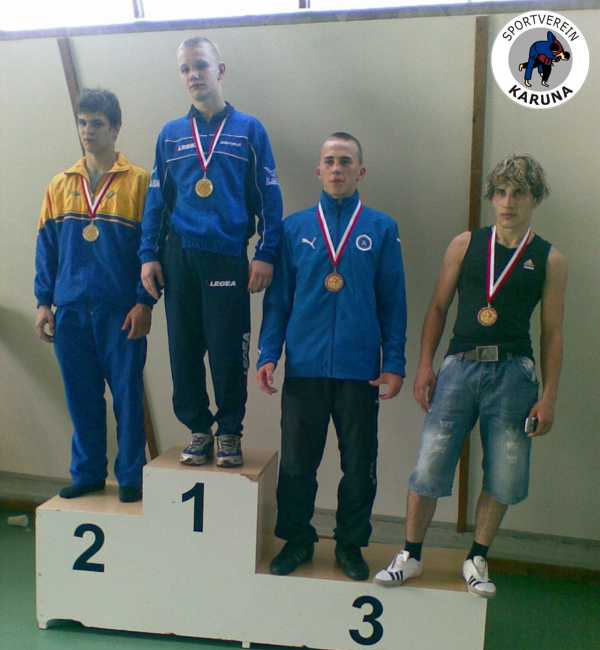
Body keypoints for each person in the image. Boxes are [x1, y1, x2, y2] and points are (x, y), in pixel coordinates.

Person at [375, 154, 568, 597]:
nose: (508, 202)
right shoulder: (465, 244)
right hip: (459, 367)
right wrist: (425, 365)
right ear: (491, 198)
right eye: (500, 192)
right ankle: (410, 553)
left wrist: (549, 397)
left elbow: (553, 333)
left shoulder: (550, 259)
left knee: (505, 471)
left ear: (535, 198)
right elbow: (438, 307)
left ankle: (478, 556)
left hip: (515, 374)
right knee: (430, 463)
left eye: (519, 193)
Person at [257, 132, 407, 581]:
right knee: (297, 465)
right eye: (330, 161)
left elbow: (393, 302)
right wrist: (269, 352)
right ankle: (297, 540)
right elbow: (278, 300)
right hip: (305, 366)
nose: (337, 169)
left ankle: (350, 544)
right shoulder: (295, 229)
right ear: (318, 171)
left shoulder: (381, 228)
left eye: (345, 161)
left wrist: (394, 362)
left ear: (361, 171)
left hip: (360, 371)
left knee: (359, 465)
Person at [139, 36, 283, 468]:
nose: (193, 75)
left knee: (226, 350)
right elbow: (156, 201)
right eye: (185, 69)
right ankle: (198, 429)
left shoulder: (250, 130)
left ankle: (230, 431)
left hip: (226, 255)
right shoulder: (170, 135)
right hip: (178, 256)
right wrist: (148, 254)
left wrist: (266, 252)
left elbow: (268, 198)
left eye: (200, 65)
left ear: (220, 70)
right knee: (183, 351)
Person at [34, 88, 152, 503]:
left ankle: (132, 476)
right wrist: (43, 302)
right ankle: (87, 473)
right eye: (82, 123)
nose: (87, 131)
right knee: (81, 396)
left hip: (119, 309)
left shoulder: (140, 182)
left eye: (97, 123)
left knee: (127, 397)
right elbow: (46, 247)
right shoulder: (60, 184)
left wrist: (144, 302)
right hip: (69, 309)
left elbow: (151, 250)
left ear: (115, 128)